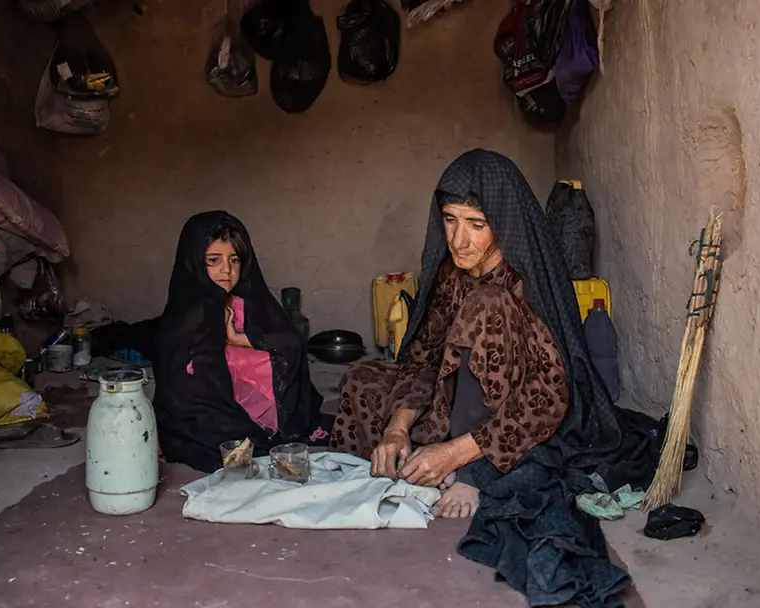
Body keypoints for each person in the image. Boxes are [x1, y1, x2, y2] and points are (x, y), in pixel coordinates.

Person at [331, 150, 657, 607]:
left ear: (500, 222)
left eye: (476, 224)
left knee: (486, 306)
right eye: (450, 220)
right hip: (455, 400)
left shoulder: (521, 279)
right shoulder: (452, 271)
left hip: (510, 420)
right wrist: (396, 427)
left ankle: (470, 473)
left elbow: (548, 395)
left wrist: (457, 456)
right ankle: (426, 453)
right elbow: (423, 356)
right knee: (363, 378)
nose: (459, 240)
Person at [152, 211, 327, 473]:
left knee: (269, 354)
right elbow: (190, 388)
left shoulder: (246, 301)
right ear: (194, 262)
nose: (226, 270)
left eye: (234, 260)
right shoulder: (190, 313)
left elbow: (291, 342)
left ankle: (260, 427)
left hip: (253, 405)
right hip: (212, 412)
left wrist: (238, 338)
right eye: (213, 260)